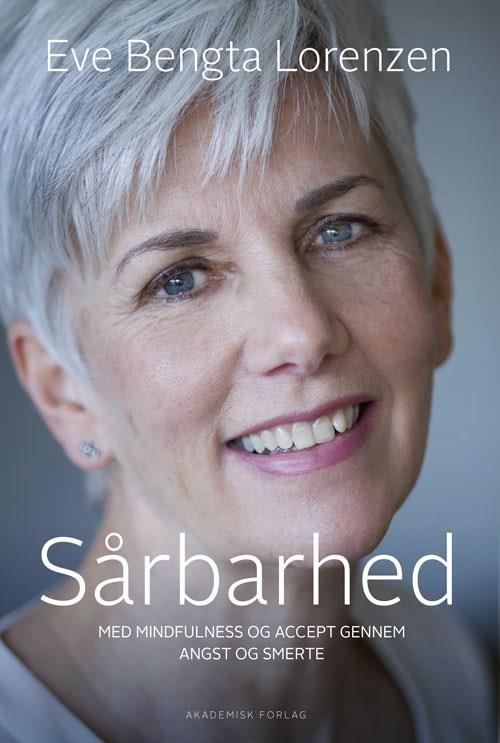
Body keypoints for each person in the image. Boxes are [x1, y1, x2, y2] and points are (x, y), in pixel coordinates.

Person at [0, 1, 495, 741]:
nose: (301, 331)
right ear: (62, 391)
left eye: (340, 229)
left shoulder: (449, 669)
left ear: (437, 282)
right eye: (178, 279)